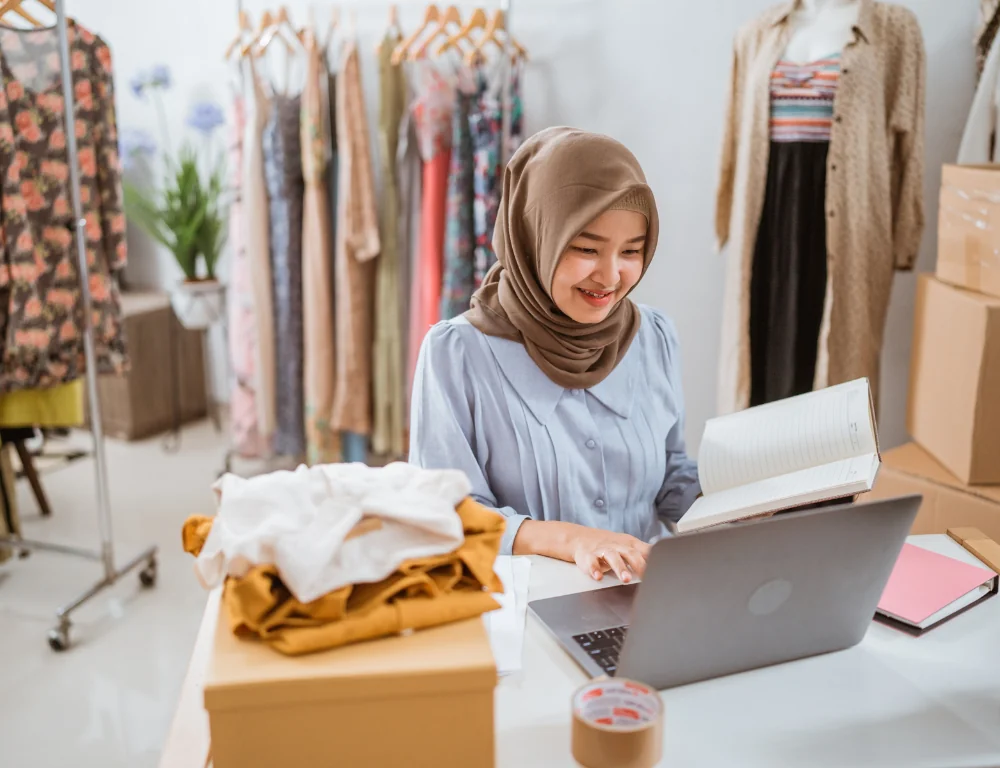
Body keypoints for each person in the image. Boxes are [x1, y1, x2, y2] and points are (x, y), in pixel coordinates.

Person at [409, 127, 700, 584]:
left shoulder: (654, 337)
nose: (610, 276)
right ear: (535, 236)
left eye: (631, 251)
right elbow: (447, 513)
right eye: (586, 248)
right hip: (522, 614)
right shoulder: (458, 354)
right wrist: (573, 540)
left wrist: (759, 505)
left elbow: (670, 476)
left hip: (651, 602)